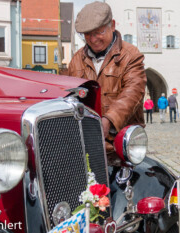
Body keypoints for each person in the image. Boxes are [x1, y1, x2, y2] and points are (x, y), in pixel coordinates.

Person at [68, 1, 146, 163]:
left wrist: (108, 120)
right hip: (87, 144)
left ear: (112, 25)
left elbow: (133, 93)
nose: (93, 39)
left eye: (98, 32)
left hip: (120, 146)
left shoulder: (130, 55)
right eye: (87, 34)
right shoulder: (76, 60)